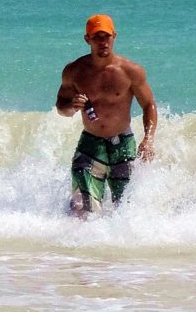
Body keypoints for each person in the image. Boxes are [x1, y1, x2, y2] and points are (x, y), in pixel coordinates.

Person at [56, 13, 157, 217]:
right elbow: (61, 108)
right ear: (87, 39)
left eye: (106, 36)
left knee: (126, 210)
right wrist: (73, 106)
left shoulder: (130, 71)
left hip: (122, 144)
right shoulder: (74, 71)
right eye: (97, 37)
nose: (103, 41)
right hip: (90, 143)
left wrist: (148, 139)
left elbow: (149, 105)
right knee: (82, 209)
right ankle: (79, 246)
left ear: (114, 36)